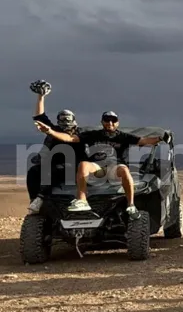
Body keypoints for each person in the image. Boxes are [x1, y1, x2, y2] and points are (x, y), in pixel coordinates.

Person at [35, 111, 169, 218]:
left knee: (124, 170)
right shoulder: (93, 135)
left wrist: (160, 138)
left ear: (117, 123)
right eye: (107, 120)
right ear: (102, 122)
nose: (110, 123)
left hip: (114, 167)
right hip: (97, 167)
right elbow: (70, 138)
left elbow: (144, 140)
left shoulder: (123, 136)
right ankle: (82, 200)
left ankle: (131, 204)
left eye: (113, 120)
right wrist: (49, 131)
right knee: (83, 165)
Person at [26, 81, 87, 213]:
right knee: (33, 172)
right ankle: (34, 199)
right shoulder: (54, 129)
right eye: (62, 119)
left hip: (74, 166)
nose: (65, 122)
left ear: (73, 120)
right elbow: (39, 117)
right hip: (52, 163)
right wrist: (41, 97)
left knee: (54, 170)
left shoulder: (81, 133)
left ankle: (40, 198)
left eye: (68, 119)